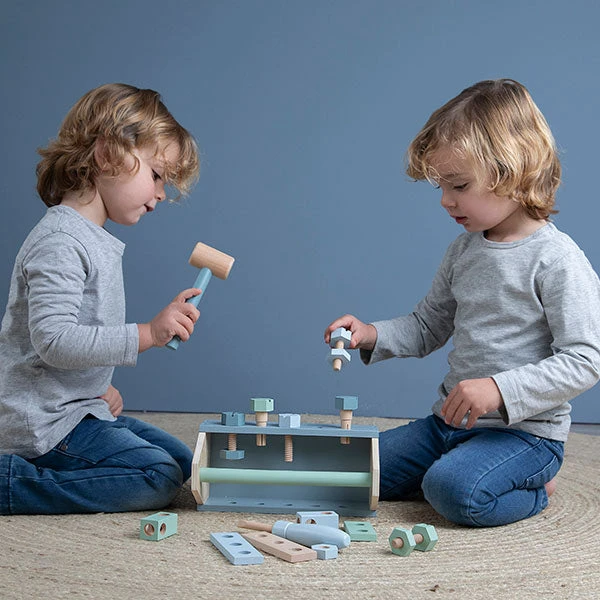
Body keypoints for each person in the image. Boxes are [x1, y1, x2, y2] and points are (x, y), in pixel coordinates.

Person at [325, 79, 600, 527]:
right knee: (352, 470)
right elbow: (428, 325)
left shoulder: (558, 260)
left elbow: (585, 359)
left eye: (458, 185)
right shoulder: (463, 250)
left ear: (512, 170)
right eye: (440, 186)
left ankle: (537, 491)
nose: (445, 200)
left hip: (525, 437)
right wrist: (371, 333)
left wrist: (499, 389)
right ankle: (452, 467)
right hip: (449, 425)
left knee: (452, 491)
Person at [0, 83, 202, 514]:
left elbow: (69, 341)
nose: (161, 194)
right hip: (43, 423)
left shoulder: (90, 238)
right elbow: (54, 340)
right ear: (108, 154)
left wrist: (96, 385)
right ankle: (11, 481)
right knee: (157, 475)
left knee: (185, 461)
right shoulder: (61, 240)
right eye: (156, 175)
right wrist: (148, 333)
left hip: (75, 408)